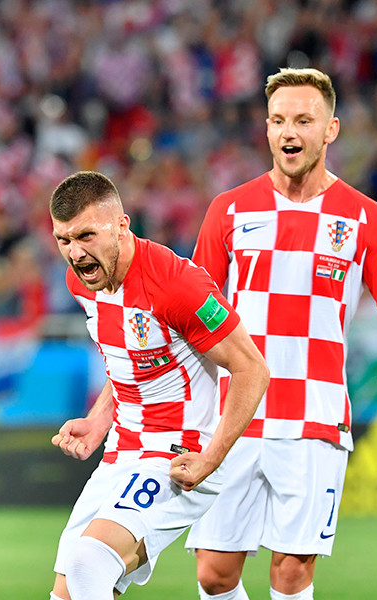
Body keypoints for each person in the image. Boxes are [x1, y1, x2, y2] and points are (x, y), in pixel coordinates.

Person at [185, 67, 377, 600]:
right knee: (214, 573)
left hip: (315, 417)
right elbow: (192, 315)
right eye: (278, 120)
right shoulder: (228, 209)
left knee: (292, 573)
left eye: (304, 120)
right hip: (236, 416)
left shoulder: (364, 217)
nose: (288, 132)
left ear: (331, 129)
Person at [46, 170, 270, 600]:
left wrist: (211, 458)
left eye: (86, 236)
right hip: (121, 453)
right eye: (64, 240)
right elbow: (129, 360)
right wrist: (98, 421)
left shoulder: (176, 284)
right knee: (69, 592)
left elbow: (252, 369)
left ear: (122, 226)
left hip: (179, 454)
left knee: (89, 562)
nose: (75, 253)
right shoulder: (84, 280)